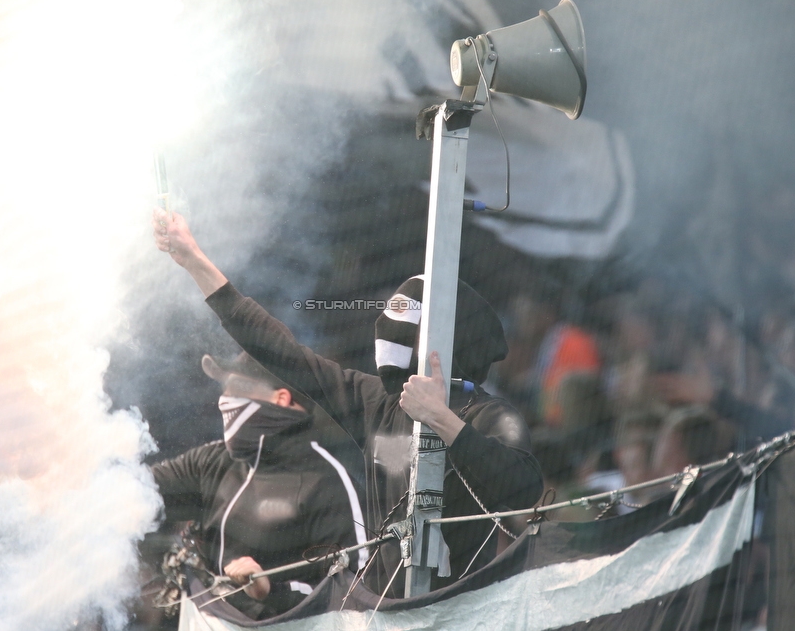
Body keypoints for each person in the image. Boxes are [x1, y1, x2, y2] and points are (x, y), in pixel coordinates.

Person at [153, 207, 544, 595]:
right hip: (385, 615)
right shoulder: (378, 401)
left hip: (462, 613)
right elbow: (278, 350)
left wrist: (443, 420)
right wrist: (193, 259)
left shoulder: (491, 414)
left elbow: (523, 492)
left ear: (450, 337)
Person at [150, 351, 366, 620]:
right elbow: (139, 491)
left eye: (237, 387)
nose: (225, 397)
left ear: (281, 398)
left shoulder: (327, 481)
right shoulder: (211, 461)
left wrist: (269, 590)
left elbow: (356, 593)